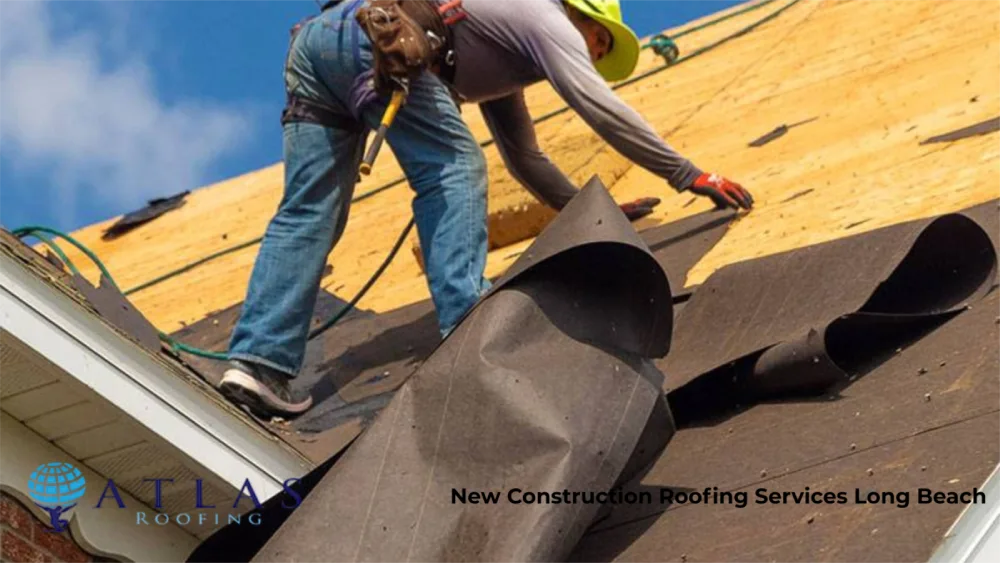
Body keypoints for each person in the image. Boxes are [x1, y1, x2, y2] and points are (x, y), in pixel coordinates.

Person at [218, 0, 754, 418]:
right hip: (376, 35)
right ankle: (465, 325)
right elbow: (601, 108)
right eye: (598, 43)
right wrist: (690, 174)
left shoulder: (499, 47)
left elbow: (524, 156)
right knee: (454, 168)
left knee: (309, 212)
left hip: (319, 44)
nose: (590, 55)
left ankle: (257, 366)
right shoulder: (544, 18)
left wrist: (584, 206)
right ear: (584, 19)